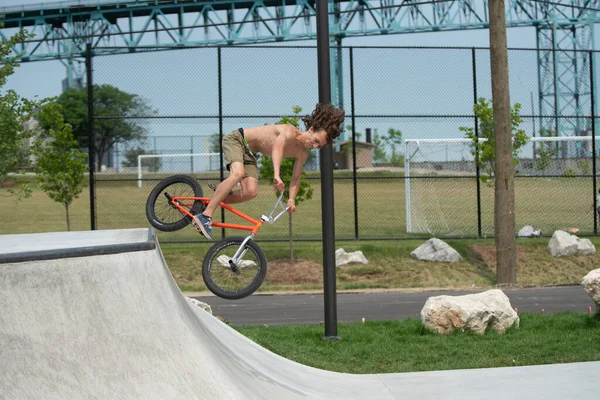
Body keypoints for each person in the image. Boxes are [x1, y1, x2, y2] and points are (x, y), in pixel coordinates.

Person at [192, 103, 345, 240]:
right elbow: (277, 148)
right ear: (311, 130)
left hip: (250, 155)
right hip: (238, 140)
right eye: (316, 140)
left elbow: (296, 179)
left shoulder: (302, 153)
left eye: (318, 146)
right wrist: (276, 175)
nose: (314, 146)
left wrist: (291, 199)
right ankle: (205, 216)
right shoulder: (289, 131)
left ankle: (208, 203)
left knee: (251, 192)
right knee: (237, 174)